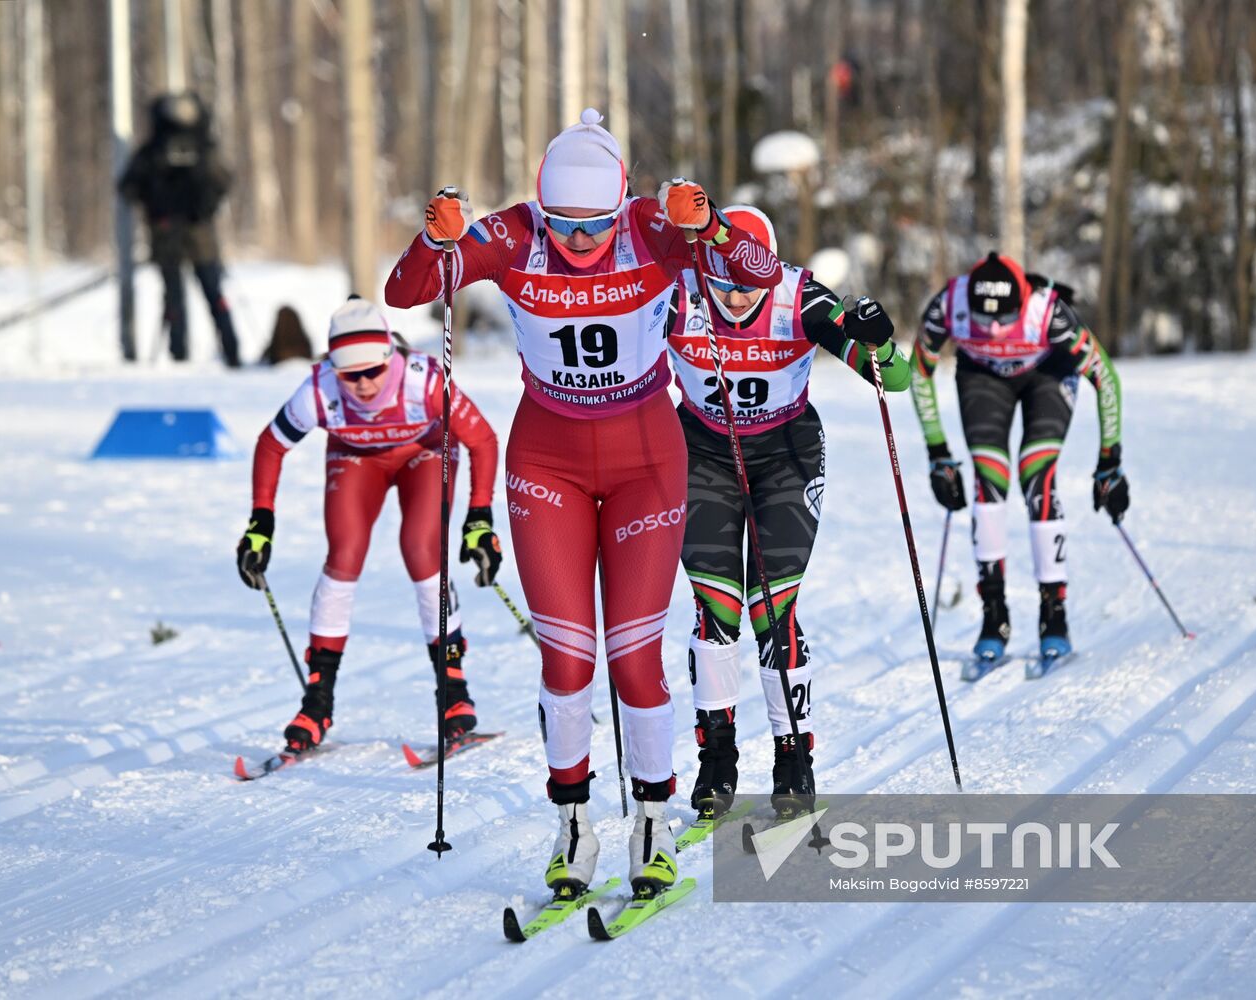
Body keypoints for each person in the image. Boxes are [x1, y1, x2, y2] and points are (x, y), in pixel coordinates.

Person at [385, 109, 781, 899]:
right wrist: (436, 242)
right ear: (541, 205)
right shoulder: (512, 234)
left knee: (635, 657)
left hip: (645, 459)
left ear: (620, 204)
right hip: (548, 460)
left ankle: (652, 823)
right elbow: (405, 294)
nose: (577, 240)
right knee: (566, 657)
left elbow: (759, 272)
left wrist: (704, 225)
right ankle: (572, 823)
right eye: (564, 224)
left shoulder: (649, 227)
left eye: (593, 224)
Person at [668, 205, 910, 820]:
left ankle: (792, 754)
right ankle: (717, 758)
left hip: (786, 454)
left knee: (772, 607)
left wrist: (881, 337)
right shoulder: (679, 294)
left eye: (750, 283)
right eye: (723, 283)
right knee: (717, 608)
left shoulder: (798, 297)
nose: (737, 296)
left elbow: (898, 379)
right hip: (701, 453)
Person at [234, 297, 501, 753]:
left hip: (426, 452)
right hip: (356, 458)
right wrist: (261, 521)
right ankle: (317, 703)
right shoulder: (320, 389)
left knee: (421, 548)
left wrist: (479, 517)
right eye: (348, 375)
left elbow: (483, 440)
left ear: (389, 357)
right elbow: (270, 444)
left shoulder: (424, 380)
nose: (361, 385)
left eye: (371, 372)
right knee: (344, 554)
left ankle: (454, 695)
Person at [909, 252, 1129, 664]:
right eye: (983, 319)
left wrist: (1109, 461)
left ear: (1022, 303)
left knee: (1037, 474)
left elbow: (1105, 377)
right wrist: (938, 453)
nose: (993, 328)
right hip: (983, 376)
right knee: (988, 479)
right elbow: (918, 371)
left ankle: (1054, 614)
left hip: (1047, 374)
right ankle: (995, 615)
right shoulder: (949, 304)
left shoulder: (1048, 311)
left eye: (1004, 319)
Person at [117, 92, 241, 367]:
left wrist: (161, 206)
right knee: (202, 294)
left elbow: (128, 186)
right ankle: (227, 353)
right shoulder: (197, 148)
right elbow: (224, 180)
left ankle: (187, 354)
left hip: (176, 235)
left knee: (190, 295)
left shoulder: (161, 149)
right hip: (189, 236)